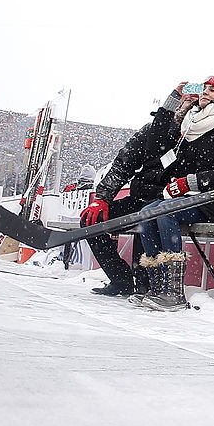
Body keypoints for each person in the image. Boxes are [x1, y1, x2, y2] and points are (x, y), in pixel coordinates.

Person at [136, 74, 214, 312]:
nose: (206, 92)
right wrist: (181, 109)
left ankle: (173, 290)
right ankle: (157, 286)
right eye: (204, 88)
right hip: (185, 198)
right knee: (146, 214)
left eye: (213, 90)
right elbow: (162, 148)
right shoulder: (189, 124)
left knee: (167, 213)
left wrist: (193, 182)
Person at [82, 85, 187, 296]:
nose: (187, 106)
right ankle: (120, 279)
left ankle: (146, 283)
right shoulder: (150, 132)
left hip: (168, 203)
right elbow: (123, 164)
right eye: (183, 101)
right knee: (90, 221)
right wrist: (102, 198)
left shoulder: (198, 136)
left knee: (148, 220)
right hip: (140, 198)